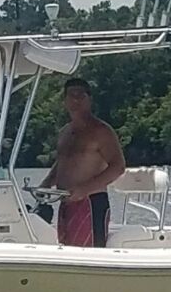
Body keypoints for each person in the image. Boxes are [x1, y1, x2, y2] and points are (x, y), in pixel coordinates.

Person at [37, 77, 125, 247]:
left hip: (90, 203)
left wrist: (84, 189)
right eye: (71, 95)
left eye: (81, 95)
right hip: (65, 203)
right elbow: (63, 161)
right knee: (67, 252)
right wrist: (47, 183)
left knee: (89, 253)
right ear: (65, 100)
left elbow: (118, 166)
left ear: (89, 99)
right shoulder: (65, 132)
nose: (76, 99)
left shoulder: (101, 131)